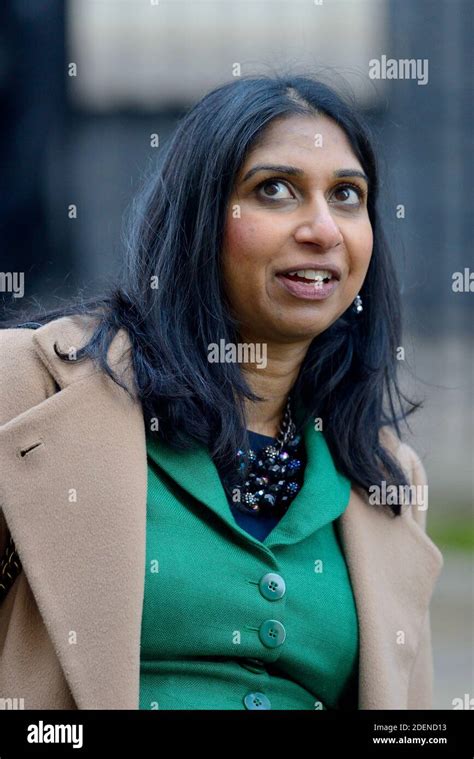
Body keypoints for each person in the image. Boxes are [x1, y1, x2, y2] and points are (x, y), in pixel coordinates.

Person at [0, 74, 444, 711]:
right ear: (200, 217)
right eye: (276, 190)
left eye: (347, 195)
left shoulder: (387, 480)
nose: (323, 229)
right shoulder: (31, 389)